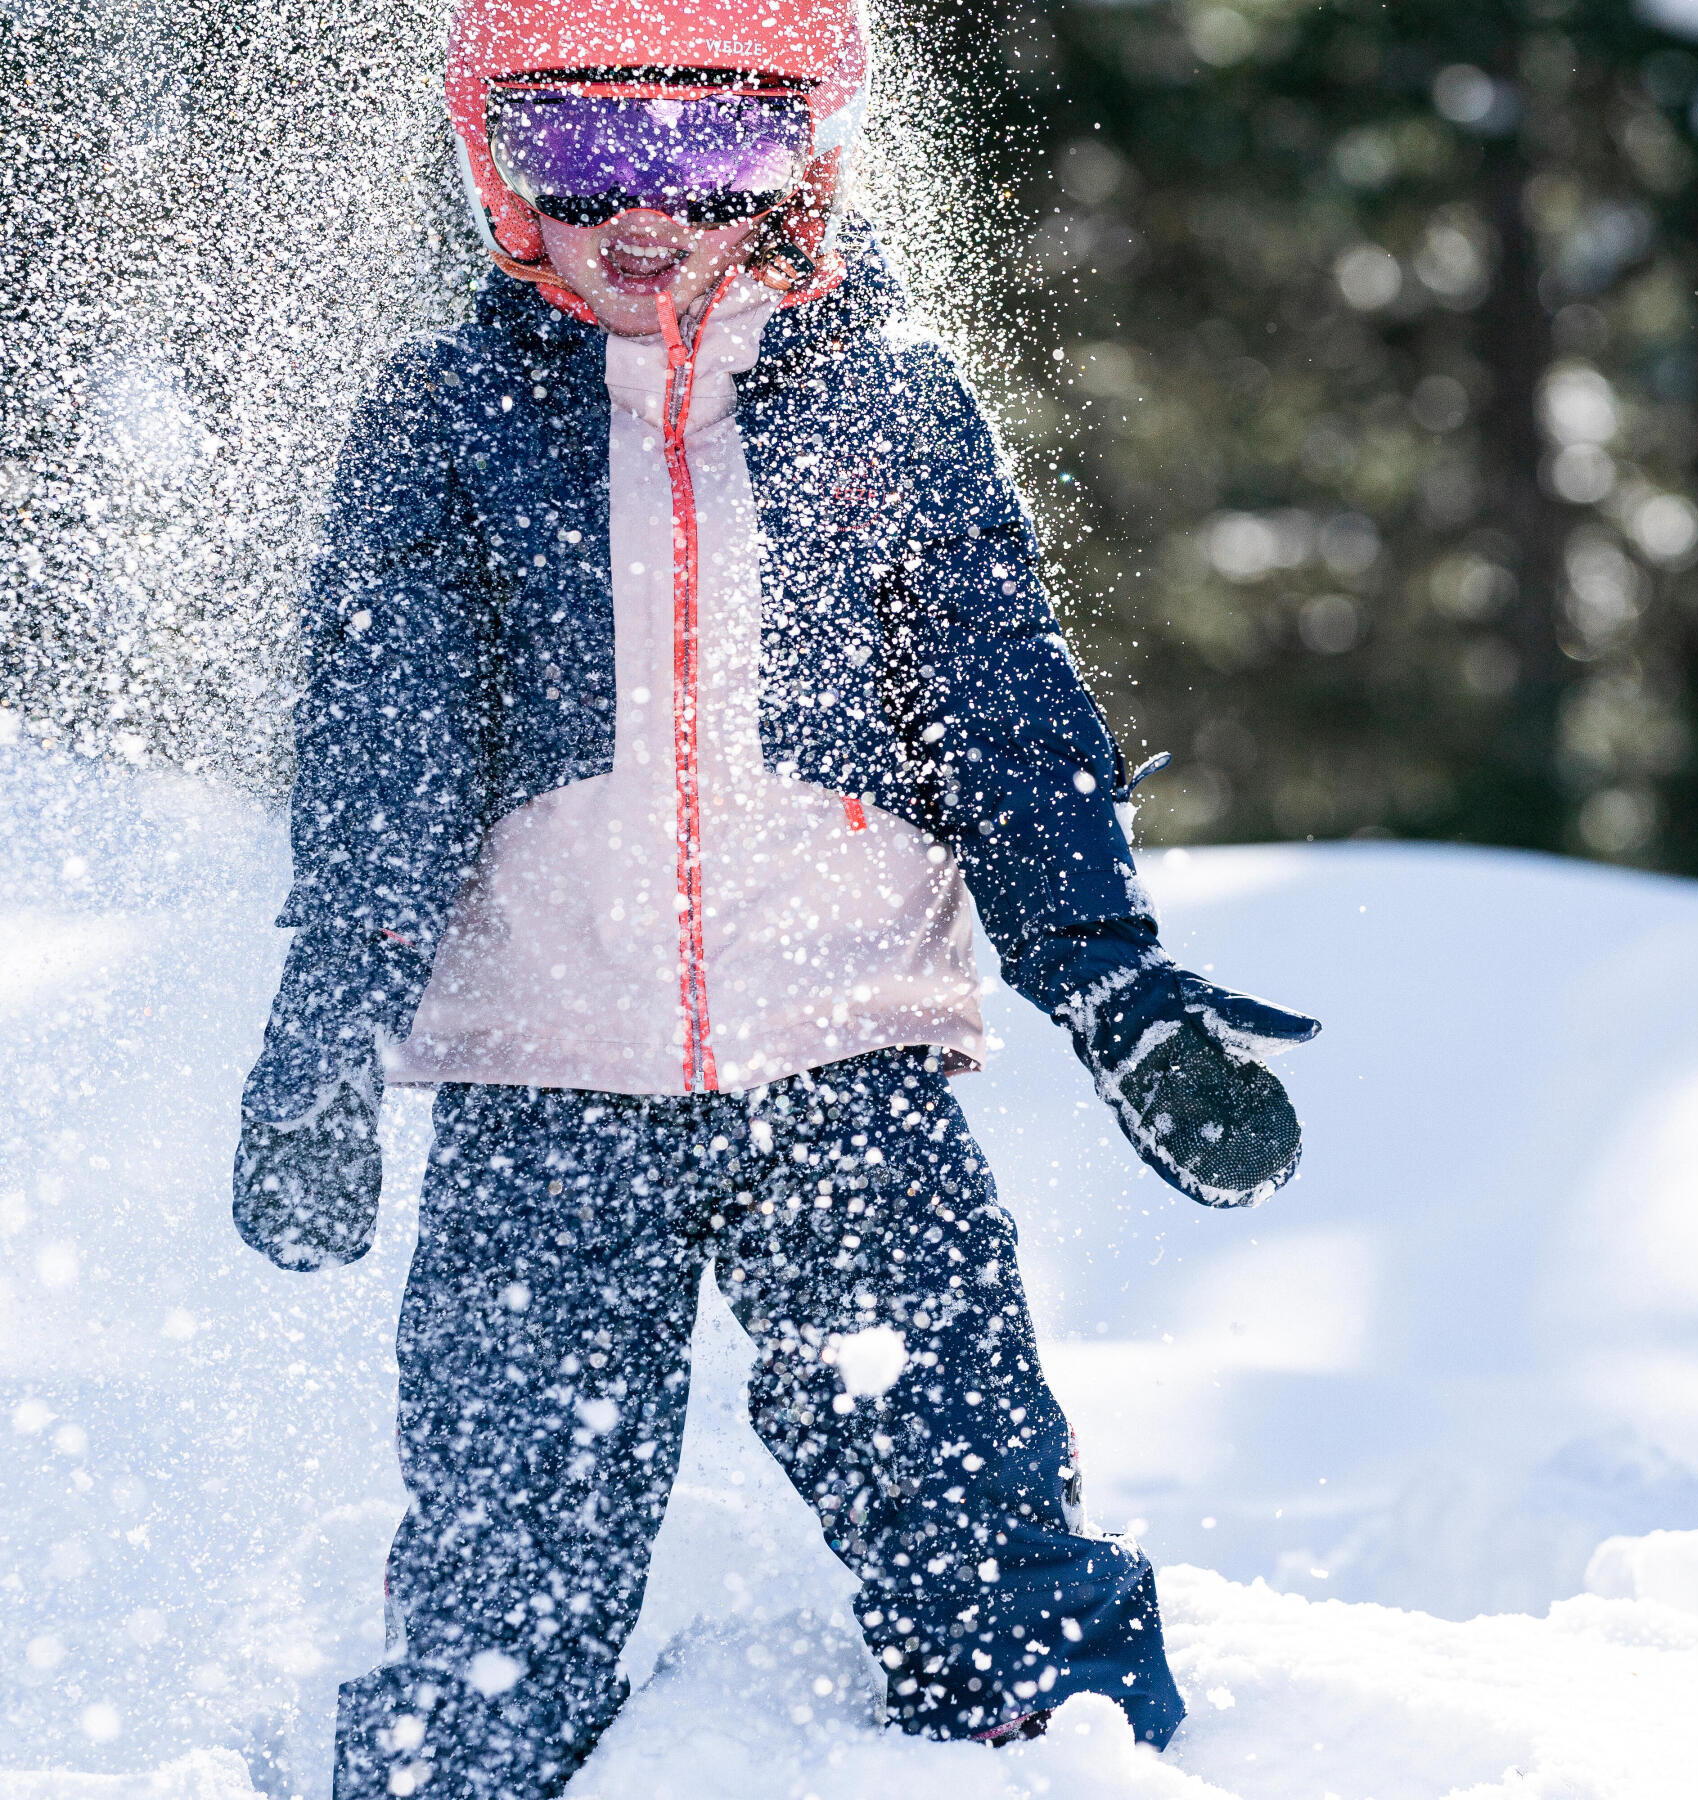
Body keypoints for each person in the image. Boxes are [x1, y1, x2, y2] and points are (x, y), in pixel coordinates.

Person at [231, 0, 1320, 1793]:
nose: (641, 211)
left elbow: (1005, 714)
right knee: (498, 1609)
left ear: (806, 161)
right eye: (583, 152)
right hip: (544, 1102)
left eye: (710, 154)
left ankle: (1066, 1767)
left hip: (849, 1089)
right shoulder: (446, 424)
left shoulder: (887, 404)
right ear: (497, 161)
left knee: (983, 1547)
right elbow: (384, 757)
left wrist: (1112, 991)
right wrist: (327, 1026)